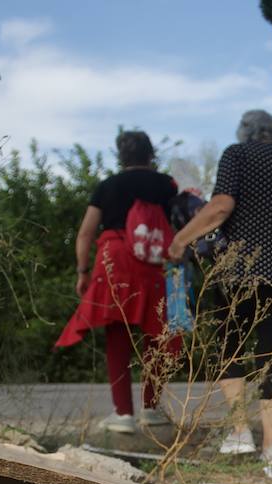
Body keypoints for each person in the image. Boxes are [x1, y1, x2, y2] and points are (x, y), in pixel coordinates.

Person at [168, 110, 272, 479]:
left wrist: (182, 237)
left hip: (237, 272)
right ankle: (271, 449)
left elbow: (221, 207)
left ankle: (240, 432)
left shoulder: (237, 155)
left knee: (230, 346)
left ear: (245, 133)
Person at [56, 130, 180, 434]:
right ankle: (151, 409)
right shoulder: (167, 185)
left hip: (115, 260)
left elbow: (85, 232)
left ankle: (123, 414)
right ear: (151, 154)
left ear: (121, 156)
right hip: (155, 260)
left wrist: (83, 271)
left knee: (117, 332)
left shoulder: (108, 186)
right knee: (157, 333)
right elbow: (180, 223)